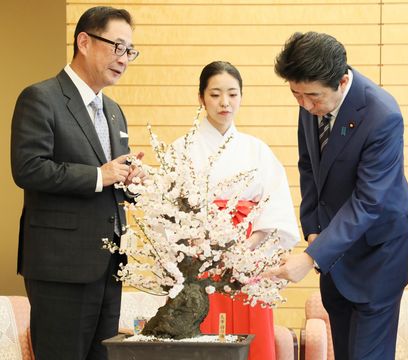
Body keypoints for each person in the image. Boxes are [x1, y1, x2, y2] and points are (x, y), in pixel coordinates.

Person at [267, 32, 408, 360]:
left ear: (343, 80)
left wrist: (310, 258)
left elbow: (368, 202)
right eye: (296, 95)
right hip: (336, 249)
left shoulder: (382, 115)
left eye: (313, 97)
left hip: (379, 253)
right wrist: (313, 231)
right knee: (347, 352)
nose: (306, 105)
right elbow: (309, 168)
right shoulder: (312, 100)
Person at [10, 6, 145, 360]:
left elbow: (114, 177)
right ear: (84, 41)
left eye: (129, 50)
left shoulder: (114, 110)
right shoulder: (41, 98)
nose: (124, 58)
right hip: (61, 266)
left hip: (109, 265)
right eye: (117, 46)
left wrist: (131, 179)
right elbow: (28, 168)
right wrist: (101, 175)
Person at [172, 61, 299, 360]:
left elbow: (275, 206)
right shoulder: (182, 149)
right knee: (200, 328)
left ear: (241, 96)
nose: (224, 102)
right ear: (201, 97)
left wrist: (247, 247)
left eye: (232, 93)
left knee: (251, 332)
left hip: (249, 258)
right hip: (200, 258)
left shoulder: (257, 150)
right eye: (215, 94)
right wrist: (200, 246)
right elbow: (170, 209)